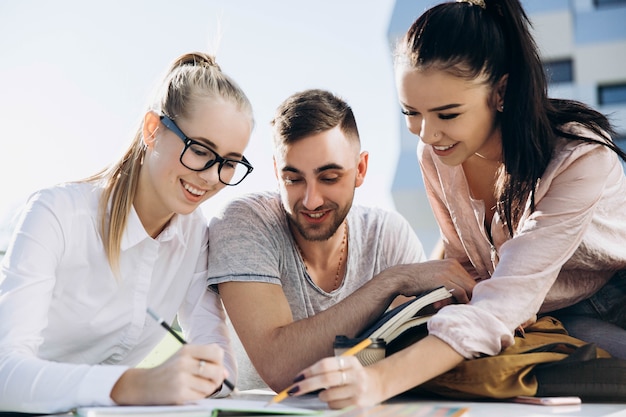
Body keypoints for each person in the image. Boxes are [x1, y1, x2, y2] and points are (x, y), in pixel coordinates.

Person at [286, 0, 626, 409]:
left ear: (500, 91)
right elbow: (472, 271)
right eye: (411, 112)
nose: (428, 134)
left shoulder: (579, 158)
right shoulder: (435, 156)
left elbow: (501, 302)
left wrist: (377, 382)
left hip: (613, 303)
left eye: (447, 113)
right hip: (541, 317)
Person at [0, 52, 255, 414]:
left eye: (229, 163)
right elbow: (4, 374)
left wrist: (211, 376)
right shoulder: (55, 214)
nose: (212, 177)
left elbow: (219, 365)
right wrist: (135, 384)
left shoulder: (195, 237)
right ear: (152, 130)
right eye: (200, 150)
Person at [206, 88, 476, 392]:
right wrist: (391, 283)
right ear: (276, 173)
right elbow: (280, 368)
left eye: (329, 177)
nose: (311, 200)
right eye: (293, 179)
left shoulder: (388, 234)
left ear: (360, 169)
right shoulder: (246, 223)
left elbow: (407, 348)